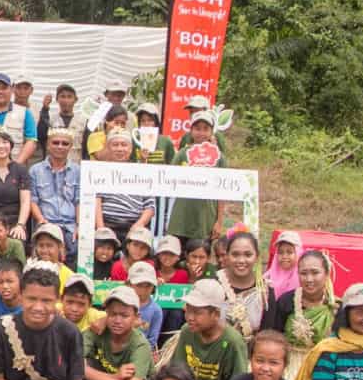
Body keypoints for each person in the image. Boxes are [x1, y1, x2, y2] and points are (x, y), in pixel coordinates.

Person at [166, 279, 249, 380]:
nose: (190, 317)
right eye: (188, 310)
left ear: (215, 314)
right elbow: (177, 371)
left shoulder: (232, 342)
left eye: (197, 313)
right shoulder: (187, 331)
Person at [80, 286, 153, 380]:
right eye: (113, 314)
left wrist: (85, 371)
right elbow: (73, 359)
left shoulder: (140, 345)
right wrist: (113, 376)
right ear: (106, 314)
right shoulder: (98, 330)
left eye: (124, 315)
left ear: (136, 317)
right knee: (85, 364)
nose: (117, 320)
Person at [270, 251, 338, 380]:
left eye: (315, 273)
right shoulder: (286, 301)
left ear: (326, 274)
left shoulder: (334, 307)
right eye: (303, 273)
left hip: (323, 368)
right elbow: (274, 337)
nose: (309, 279)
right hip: (290, 368)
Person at [168, 111, 227, 242]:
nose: (201, 133)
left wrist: (219, 221)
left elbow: (223, 192)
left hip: (206, 217)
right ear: (191, 131)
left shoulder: (219, 157)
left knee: (200, 250)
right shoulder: (182, 154)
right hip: (181, 216)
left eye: (205, 129)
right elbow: (169, 178)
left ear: (212, 132)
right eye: (197, 128)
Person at [29, 126, 81, 263]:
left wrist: (79, 225)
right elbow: (33, 201)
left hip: (70, 225)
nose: (60, 146)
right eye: (56, 142)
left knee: (76, 248)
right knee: (46, 249)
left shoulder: (77, 171)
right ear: (48, 145)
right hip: (46, 223)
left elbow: (78, 201)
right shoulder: (35, 170)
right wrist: (41, 220)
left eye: (65, 143)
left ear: (70, 147)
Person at [217, 232, 276, 346]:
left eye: (248, 255)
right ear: (227, 256)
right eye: (235, 254)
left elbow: (266, 334)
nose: (241, 260)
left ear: (257, 257)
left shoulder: (265, 292)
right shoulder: (214, 283)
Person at [96, 129, 155, 243]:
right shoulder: (100, 171)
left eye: (124, 145)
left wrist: (138, 225)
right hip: (107, 224)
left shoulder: (141, 171)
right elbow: (96, 201)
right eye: (115, 145)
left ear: (131, 149)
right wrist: (101, 229)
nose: (120, 149)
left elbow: (150, 206)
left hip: (135, 226)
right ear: (108, 148)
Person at [42, 85, 86, 164]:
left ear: (75, 99)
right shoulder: (50, 120)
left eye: (69, 97)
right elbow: (41, 136)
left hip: (76, 164)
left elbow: (86, 147)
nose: (66, 100)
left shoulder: (83, 122)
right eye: (62, 96)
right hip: (53, 165)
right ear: (57, 99)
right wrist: (45, 108)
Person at [127, 262, 163, 349]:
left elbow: (152, 339)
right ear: (129, 284)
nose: (143, 290)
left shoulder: (156, 310)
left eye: (148, 286)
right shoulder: (121, 304)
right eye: (139, 285)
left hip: (142, 349)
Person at [263, 230, 302, 300]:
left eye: (289, 252)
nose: (284, 256)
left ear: (298, 253)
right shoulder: (269, 276)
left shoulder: (302, 276)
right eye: (280, 252)